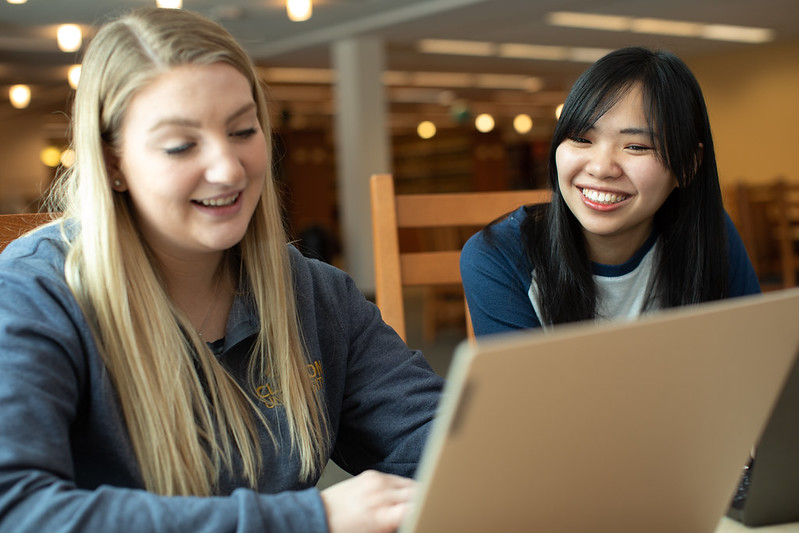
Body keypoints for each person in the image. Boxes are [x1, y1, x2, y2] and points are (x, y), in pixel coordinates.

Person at [0, 7, 443, 533]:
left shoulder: (313, 291)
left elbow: (430, 439)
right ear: (113, 163)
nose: (229, 169)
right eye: (181, 145)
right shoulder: (34, 294)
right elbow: (19, 509)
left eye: (241, 131)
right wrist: (310, 518)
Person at [460, 46, 761, 337]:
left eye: (636, 146)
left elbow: (752, 360)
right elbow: (526, 388)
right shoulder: (501, 255)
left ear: (688, 166)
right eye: (581, 138)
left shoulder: (708, 232)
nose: (602, 168)